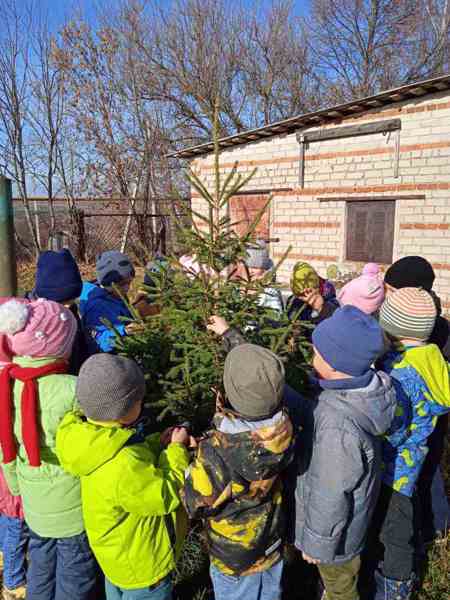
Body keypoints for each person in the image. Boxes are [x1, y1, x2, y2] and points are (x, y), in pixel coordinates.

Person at [56, 353, 192, 600]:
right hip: (144, 567)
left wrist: (156, 444)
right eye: (138, 400)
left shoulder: (90, 439)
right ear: (123, 410)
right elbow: (165, 494)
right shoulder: (123, 465)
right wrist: (176, 451)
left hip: (115, 558)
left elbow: (131, 453)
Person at [294, 306, 396, 600]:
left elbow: (331, 492)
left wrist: (318, 544)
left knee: (340, 586)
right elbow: (318, 407)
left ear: (336, 366)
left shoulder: (337, 427)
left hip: (335, 542)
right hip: (349, 527)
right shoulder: (366, 390)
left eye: (317, 353)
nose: (311, 357)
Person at [0, 299, 98, 600]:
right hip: (72, 510)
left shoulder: (8, 386)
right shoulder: (72, 388)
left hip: (34, 505)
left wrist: (16, 487)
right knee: (76, 572)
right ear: (60, 346)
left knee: (40, 565)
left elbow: (8, 448)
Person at [182, 343, 295, 600]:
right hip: (270, 539)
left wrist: (184, 461)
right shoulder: (285, 430)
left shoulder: (218, 450)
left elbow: (198, 502)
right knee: (269, 591)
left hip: (234, 552)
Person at [369, 287, 450, 600]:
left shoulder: (403, 375)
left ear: (394, 329)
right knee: (405, 518)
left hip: (394, 468)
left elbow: (394, 427)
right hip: (412, 464)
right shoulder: (431, 359)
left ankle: (394, 590)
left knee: (394, 536)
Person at [383, 256, 450, 543]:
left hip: (410, 425)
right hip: (433, 416)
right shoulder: (435, 327)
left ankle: (424, 533)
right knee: (428, 468)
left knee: (417, 482)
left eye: (389, 290)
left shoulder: (411, 335)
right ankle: (438, 528)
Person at [0, 298, 29, 600]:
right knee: (15, 519)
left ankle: (4, 556)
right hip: (10, 465)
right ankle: (14, 581)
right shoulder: (11, 378)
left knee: (5, 514)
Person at [28, 248, 89, 374]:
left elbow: (79, 346)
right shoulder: (32, 319)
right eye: (63, 302)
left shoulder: (71, 312)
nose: (68, 306)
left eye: (72, 299)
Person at [79, 250, 135, 353]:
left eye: (129, 282)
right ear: (108, 284)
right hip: (109, 359)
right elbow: (99, 341)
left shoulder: (117, 295)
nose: (127, 288)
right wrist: (124, 331)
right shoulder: (96, 306)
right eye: (122, 284)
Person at [241, 240, 284, 313]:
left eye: (255, 268)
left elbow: (277, 315)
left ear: (264, 269)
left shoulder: (270, 291)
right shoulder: (242, 286)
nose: (251, 271)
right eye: (249, 267)